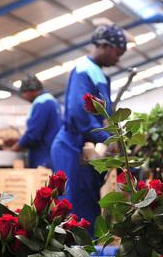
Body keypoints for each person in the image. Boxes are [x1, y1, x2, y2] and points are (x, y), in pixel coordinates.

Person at [50, 24, 127, 229]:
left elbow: (101, 114)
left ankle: (89, 255)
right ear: (105, 46)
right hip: (72, 146)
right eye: (118, 53)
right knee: (75, 209)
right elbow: (78, 112)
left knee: (88, 204)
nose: (118, 59)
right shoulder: (84, 70)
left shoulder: (98, 73)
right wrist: (105, 138)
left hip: (85, 146)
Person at [11, 75, 61, 169]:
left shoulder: (41, 103)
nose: (24, 96)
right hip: (52, 154)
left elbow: (33, 135)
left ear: (32, 90)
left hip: (43, 158)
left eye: (24, 92)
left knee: (42, 182)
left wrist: (15, 148)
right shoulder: (52, 101)